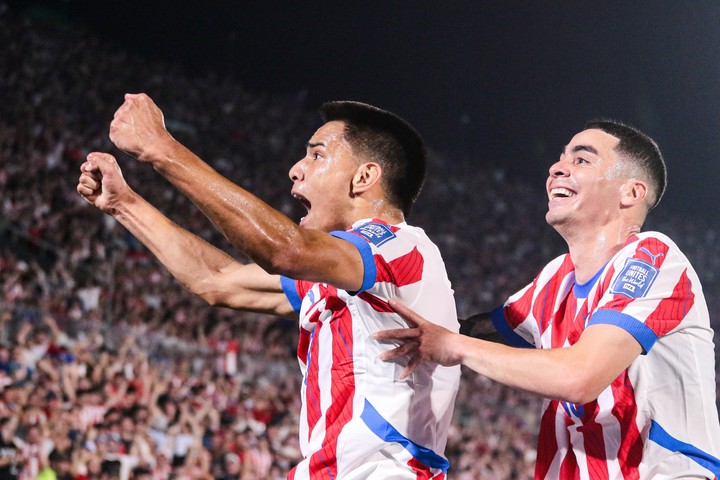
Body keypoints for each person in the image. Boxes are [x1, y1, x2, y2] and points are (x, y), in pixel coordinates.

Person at [77, 94, 460, 479]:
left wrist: (160, 148)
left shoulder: (400, 248)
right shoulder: (345, 272)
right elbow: (218, 282)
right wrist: (124, 205)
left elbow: (284, 251)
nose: (296, 170)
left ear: (364, 177)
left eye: (316, 156)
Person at [376, 120, 720, 479]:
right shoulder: (556, 278)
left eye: (582, 160)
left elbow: (580, 377)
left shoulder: (655, 257)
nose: (557, 168)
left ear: (630, 193)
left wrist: (454, 345)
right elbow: (467, 331)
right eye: (560, 158)